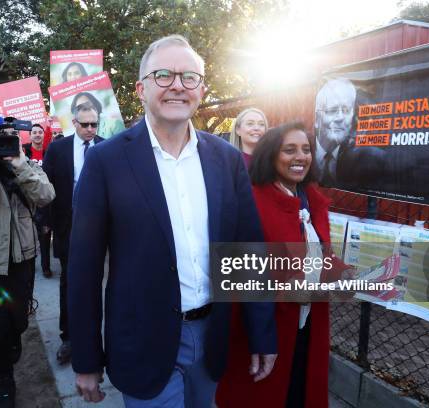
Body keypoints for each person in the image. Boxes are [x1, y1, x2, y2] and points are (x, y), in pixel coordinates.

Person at [68, 34, 277, 407]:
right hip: (143, 344)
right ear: (141, 88)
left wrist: (263, 335)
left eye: (189, 77)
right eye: (163, 75)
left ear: (202, 88)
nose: (177, 85)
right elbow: (83, 269)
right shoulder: (105, 162)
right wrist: (86, 359)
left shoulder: (226, 160)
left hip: (212, 338)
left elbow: (248, 254)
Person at [216, 122, 352, 408]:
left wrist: (351, 276)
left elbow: (318, 257)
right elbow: (234, 272)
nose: (300, 157)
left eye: (306, 150)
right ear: (270, 155)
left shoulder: (312, 200)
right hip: (265, 331)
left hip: (307, 325)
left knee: (300, 392)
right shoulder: (251, 200)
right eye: (289, 150)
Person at [0, 127, 55, 408]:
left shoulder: (25, 163)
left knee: (18, 318)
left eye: (9, 138)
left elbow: (46, 195)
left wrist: (19, 163)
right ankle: (6, 380)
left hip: (23, 258)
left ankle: (16, 333)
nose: (3, 145)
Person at [41, 103, 104, 365]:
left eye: (94, 124)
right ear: (74, 123)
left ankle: (98, 337)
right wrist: (44, 221)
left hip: (102, 228)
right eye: (85, 124)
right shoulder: (58, 149)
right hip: (69, 227)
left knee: (101, 282)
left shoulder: (105, 147)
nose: (90, 129)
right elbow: (45, 186)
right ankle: (69, 337)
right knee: (69, 281)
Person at [23, 124, 53, 278]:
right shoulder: (23, 151)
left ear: (43, 135)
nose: (37, 135)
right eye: (34, 132)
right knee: (28, 236)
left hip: (44, 200)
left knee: (45, 235)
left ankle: (45, 267)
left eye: (40, 132)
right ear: (30, 135)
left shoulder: (49, 151)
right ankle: (28, 266)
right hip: (27, 200)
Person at [314, 78, 356, 185]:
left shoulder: (360, 160)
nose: (340, 117)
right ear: (317, 119)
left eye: (346, 110)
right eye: (332, 110)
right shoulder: (303, 152)